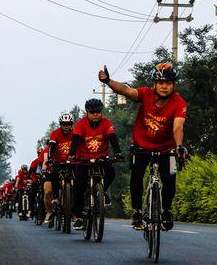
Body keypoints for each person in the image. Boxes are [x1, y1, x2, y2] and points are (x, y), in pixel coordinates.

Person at [98, 63, 187, 231]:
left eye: (168, 83)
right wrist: (108, 81)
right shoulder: (146, 94)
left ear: (173, 85)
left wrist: (179, 146)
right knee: (136, 176)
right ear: (154, 84)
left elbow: (178, 127)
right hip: (141, 146)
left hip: (166, 148)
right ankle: (137, 211)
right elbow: (126, 90)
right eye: (161, 83)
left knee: (170, 180)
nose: (164, 86)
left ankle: (166, 210)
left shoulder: (178, 102)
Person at [68, 98, 124, 230]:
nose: (95, 114)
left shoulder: (106, 123)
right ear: (87, 112)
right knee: (79, 186)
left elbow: (112, 138)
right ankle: (79, 217)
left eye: (98, 112)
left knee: (111, 172)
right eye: (92, 112)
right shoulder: (80, 124)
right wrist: (71, 155)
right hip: (83, 159)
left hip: (101, 158)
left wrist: (117, 153)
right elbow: (75, 141)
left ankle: (102, 192)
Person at [43, 112, 74, 224]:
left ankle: (74, 206)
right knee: (53, 174)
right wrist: (50, 158)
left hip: (72, 162)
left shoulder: (75, 133)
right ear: (60, 124)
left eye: (68, 123)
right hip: (58, 162)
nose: (66, 126)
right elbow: (51, 147)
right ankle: (56, 197)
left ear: (71, 124)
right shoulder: (55, 133)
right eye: (64, 123)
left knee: (78, 179)